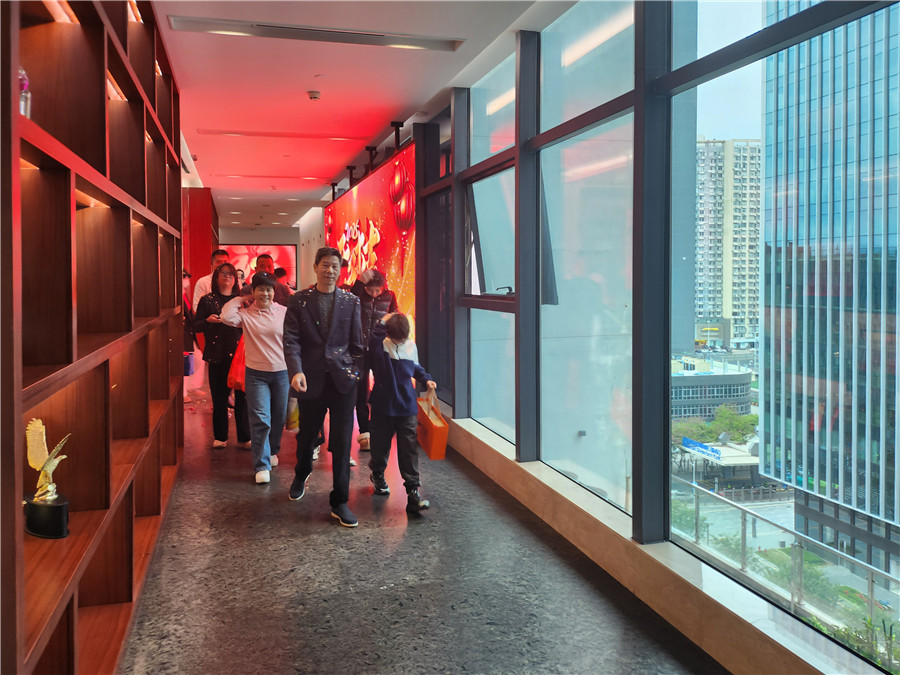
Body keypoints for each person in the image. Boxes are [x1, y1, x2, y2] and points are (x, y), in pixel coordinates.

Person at [283, 247, 364, 527]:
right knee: (307, 437)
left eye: (335, 266)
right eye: (325, 265)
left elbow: (357, 344)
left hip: (343, 383)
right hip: (310, 380)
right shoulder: (299, 300)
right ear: (315, 267)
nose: (330, 270)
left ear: (340, 270)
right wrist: (296, 370)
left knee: (342, 442)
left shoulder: (351, 301)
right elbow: (291, 339)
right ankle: (301, 472)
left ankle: (340, 501)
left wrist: (355, 373)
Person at [220, 271, 288, 485]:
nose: (265, 294)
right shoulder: (246, 314)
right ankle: (261, 464)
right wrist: (241, 299)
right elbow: (226, 317)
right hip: (256, 375)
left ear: (274, 292)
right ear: (254, 292)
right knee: (260, 418)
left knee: (278, 416)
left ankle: (272, 450)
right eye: (260, 290)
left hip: (281, 372)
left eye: (269, 290)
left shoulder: (284, 312)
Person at [367, 312, 435, 512]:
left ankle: (413, 492)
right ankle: (377, 474)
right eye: (398, 338)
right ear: (388, 334)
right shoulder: (381, 346)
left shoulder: (411, 346)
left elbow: (415, 367)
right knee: (380, 445)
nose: (401, 341)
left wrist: (427, 379)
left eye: (403, 338)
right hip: (383, 405)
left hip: (406, 406)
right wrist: (384, 320)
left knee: (409, 449)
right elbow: (373, 339)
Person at [194, 263, 251, 450]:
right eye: (223, 273)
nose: (227, 276)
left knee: (243, 398)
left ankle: (245, 436)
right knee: (219, 398)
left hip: (239, 356)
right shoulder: (207, 300)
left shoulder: (241, 301)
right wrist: (208, 321)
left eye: (231, 274)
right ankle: (220, 437)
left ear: (235, 280)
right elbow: (196, 326)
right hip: (216, 355)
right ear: (216, 277)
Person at [349, 268, 398, 452]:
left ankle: (380, 427)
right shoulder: (359, 295)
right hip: (360, 350)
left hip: (379, 350)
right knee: (361, 392)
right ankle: (365, 431)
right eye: (370, 290)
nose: (375, 293)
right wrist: (360, 282)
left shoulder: (390, 296)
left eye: (378, 290)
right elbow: (350, 297)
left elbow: (395, 316)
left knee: (381, 388)